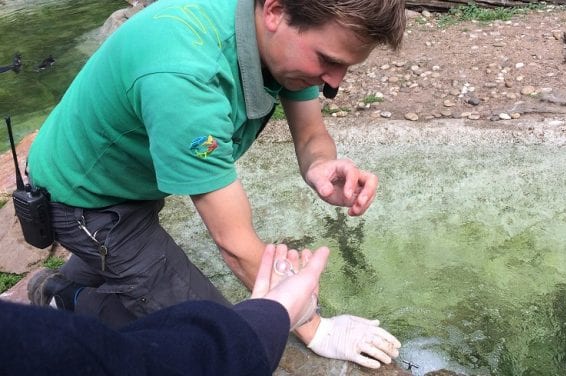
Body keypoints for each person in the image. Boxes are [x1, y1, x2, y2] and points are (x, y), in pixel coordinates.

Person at [25, 0, 406, 368]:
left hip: (128, 179)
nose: (333, 82)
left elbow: (310, 135)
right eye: (328, 61)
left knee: (138, 269)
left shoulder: (276, 40)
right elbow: (234, 244)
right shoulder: (186, 75)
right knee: (219, 347)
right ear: (274, 11)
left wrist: (321, 165)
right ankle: (65, 299)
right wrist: (315, 327)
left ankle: (80, 276)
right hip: (87, 202)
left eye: (345, 66)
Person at [4, 244, 389, 375]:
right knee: (204, 326)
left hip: (128, 196)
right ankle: (63, 292)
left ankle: (66, 284)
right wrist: (305, 322)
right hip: (89, 204)